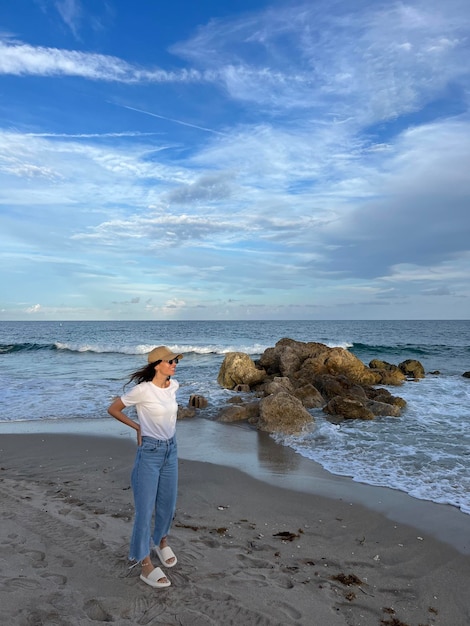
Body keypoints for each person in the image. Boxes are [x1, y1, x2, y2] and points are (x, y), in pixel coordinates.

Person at [107, 345, 183, 589]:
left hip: (171, 450)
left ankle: (161, 541)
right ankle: (144, 563)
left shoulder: (174, 386)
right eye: (170, 361)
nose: (174, 364)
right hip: (149, 453)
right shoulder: (142, 390)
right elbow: (114, 408)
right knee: (144, 509)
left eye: (175, 361)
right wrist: (137, 427)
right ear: (156, 364)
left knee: (168, 503)